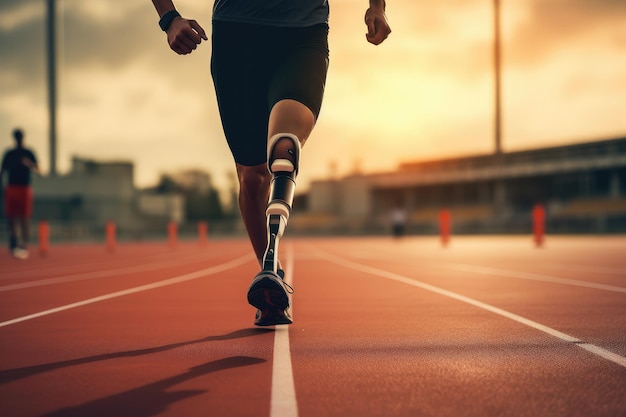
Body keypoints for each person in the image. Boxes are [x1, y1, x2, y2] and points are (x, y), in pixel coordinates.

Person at [150, 0, 391, 325]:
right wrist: (169, 18)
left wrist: (378, 7)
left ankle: (269, 264)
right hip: (237, 36)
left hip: (302, 33)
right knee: (252, 178)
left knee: (284, 146)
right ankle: (271, 269)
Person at [1, 128, 39, 259]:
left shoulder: (28, 153)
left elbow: (38, 168)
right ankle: (14, 239)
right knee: (11, 217)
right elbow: (3, 171)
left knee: (24, 217)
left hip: (24, 188)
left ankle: (24, 243)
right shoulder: (9, 154)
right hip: (12, 188)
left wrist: (29, 164)